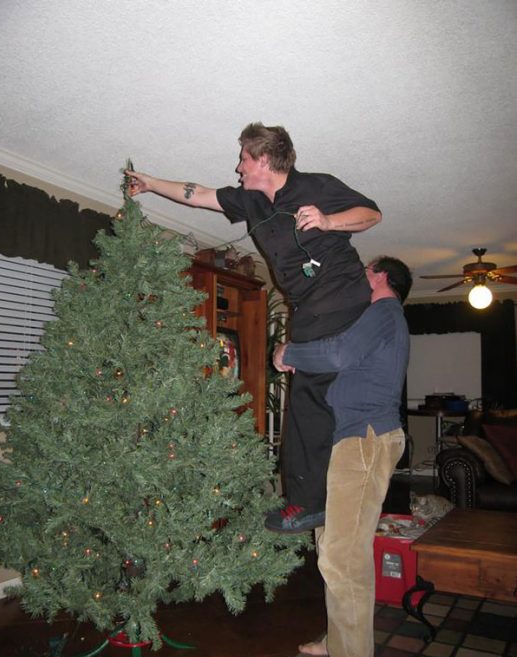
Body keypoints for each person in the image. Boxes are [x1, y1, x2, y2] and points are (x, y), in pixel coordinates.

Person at [126, 122, 382, 532]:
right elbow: (198, 195)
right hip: (308, 311)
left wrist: (330, 221)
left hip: (340, 296)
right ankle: (328, 490)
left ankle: (308, 502)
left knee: (306, 401)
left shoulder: (317, 186)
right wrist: (152, 183)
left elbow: (371, 213)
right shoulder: (250, 202)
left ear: (264, 159)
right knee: (316, 393)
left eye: (243, 157)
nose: (238, 166)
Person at [272, 256, 412, 657]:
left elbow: (338, 353)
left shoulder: (384, 312)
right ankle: (337, 640)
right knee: (331, 544)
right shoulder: (377, 318)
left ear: (381, 277)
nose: (358, 276)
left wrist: (288, 352)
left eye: (365, 271)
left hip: (365, 440)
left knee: (344, 555)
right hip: (353, 439)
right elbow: (340, 358)